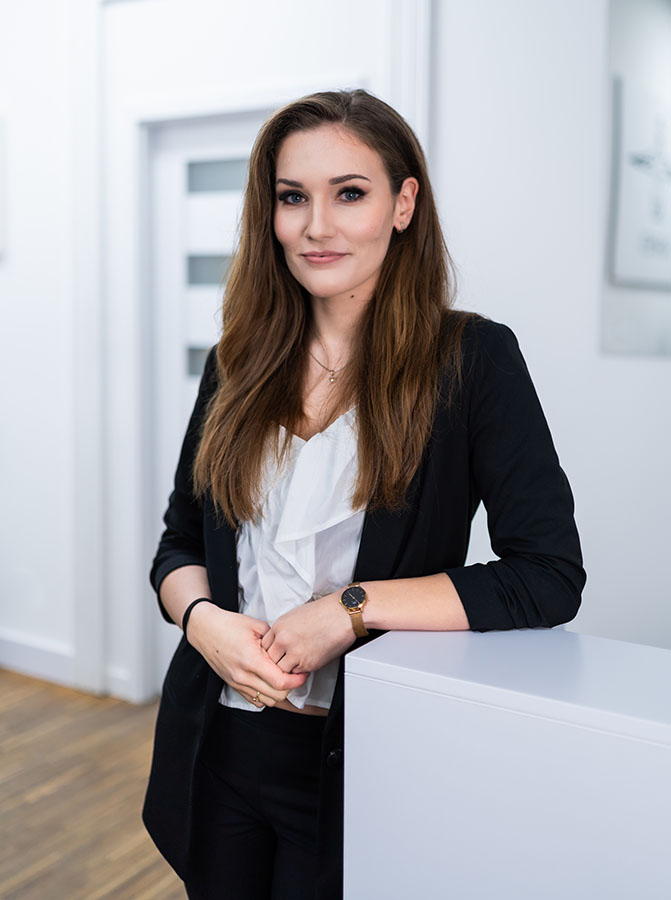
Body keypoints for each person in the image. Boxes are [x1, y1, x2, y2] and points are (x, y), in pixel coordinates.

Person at [142, 89, 585, 900]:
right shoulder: (235, 363)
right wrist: (203, 625)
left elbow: (547, 576)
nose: (317, 225)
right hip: (217, 748)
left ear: (402, 204)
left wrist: (349, 610)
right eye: (292, 197)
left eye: (349, 193)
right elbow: (178, 544)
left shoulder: (473, 361)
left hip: (359, 757)